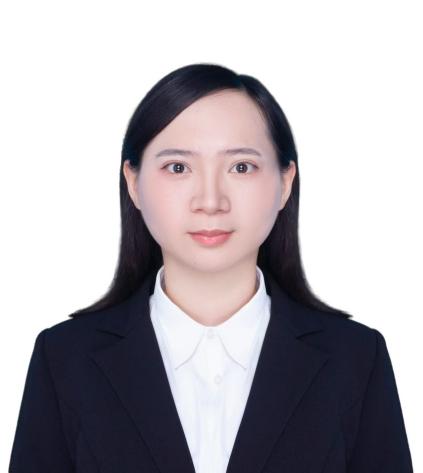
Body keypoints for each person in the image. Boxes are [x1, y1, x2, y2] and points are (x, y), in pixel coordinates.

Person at [8, 63, 414, 473]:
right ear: (133, 182)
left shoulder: (356, 359)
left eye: (241, 167)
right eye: (178, 167)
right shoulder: (65, 359)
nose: (210, 201)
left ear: (285, 182)